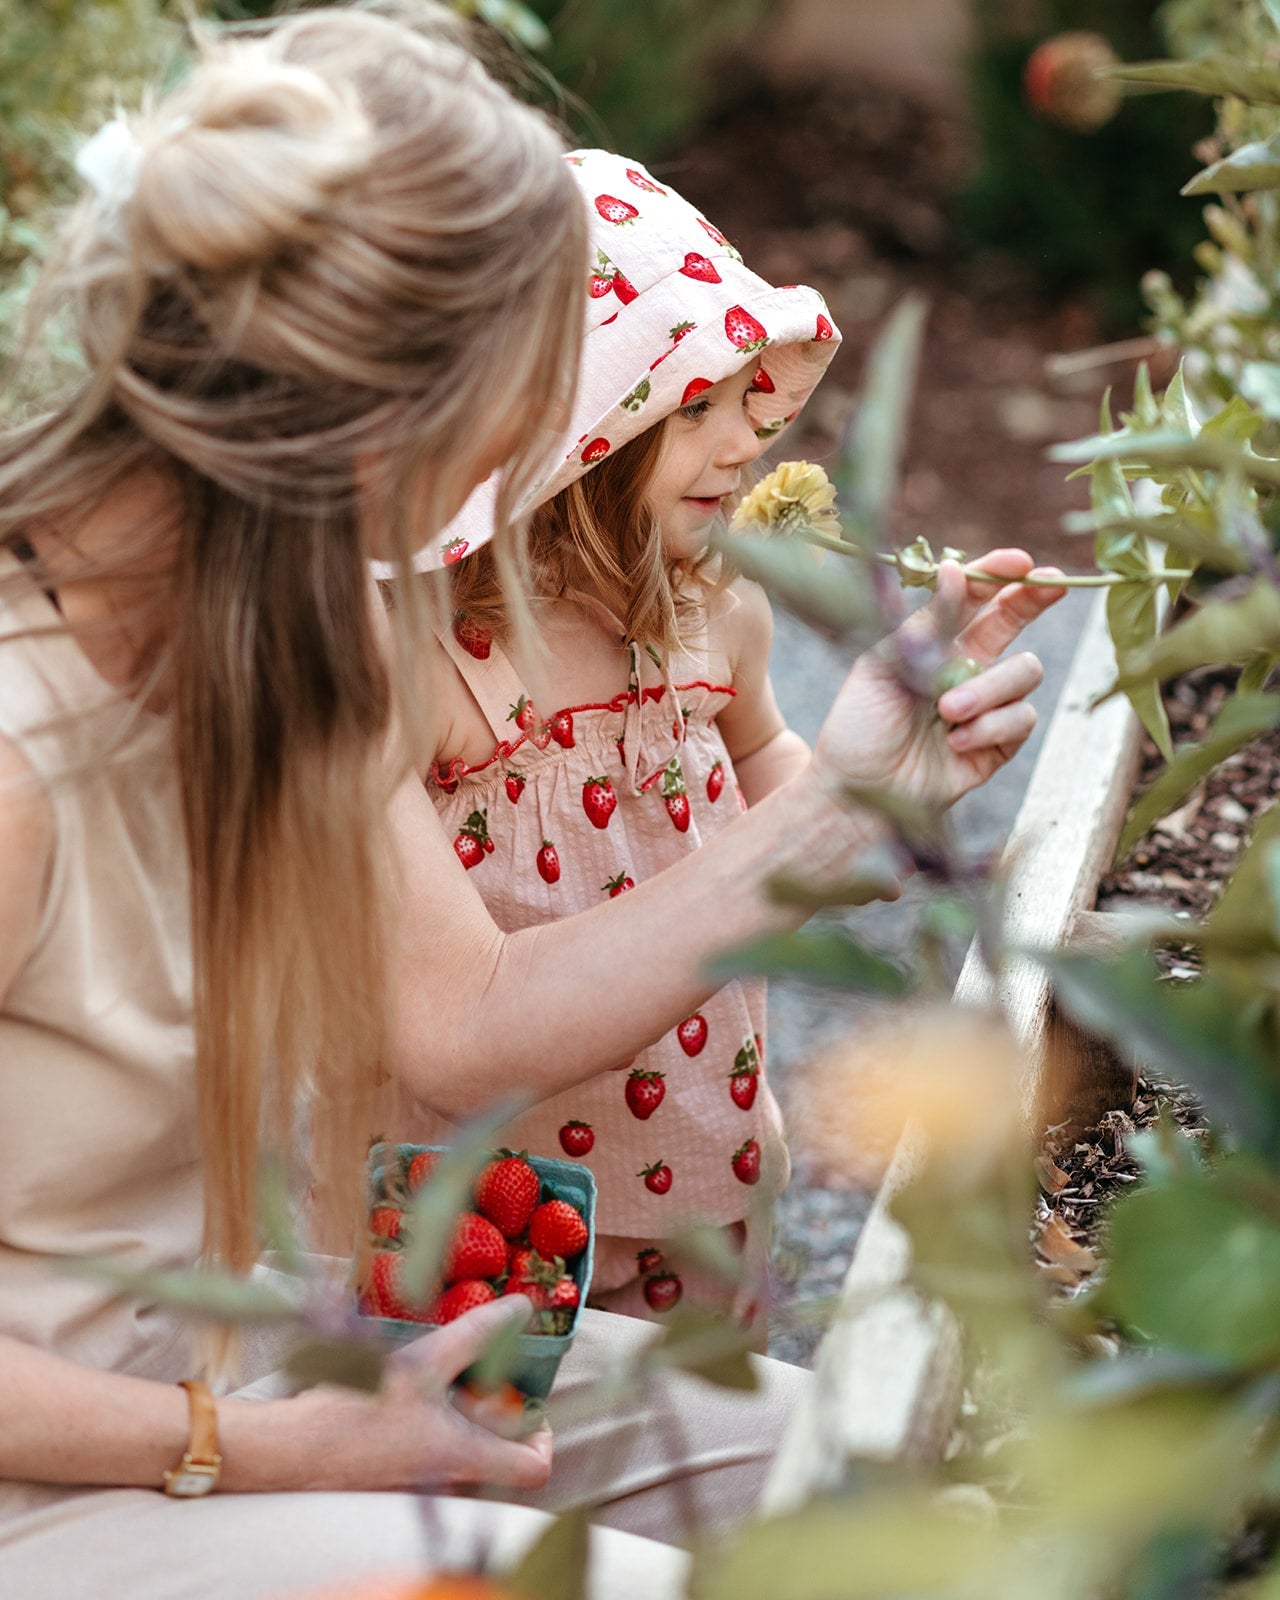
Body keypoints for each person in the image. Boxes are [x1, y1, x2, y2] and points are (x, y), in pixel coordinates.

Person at [0, 5, 1062, 1597]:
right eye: (512, 412)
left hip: (235, 1368)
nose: (525, 470)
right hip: (73, 1474)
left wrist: (847, 799)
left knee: (880, 1485)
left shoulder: (273, 644)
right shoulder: (23, 747)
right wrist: (279, 1446)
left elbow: (462, 1012)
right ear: (361, 412)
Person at [393, 148, 843, 1327]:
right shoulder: (445, 668)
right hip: (502, 1190)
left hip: (701, 1138)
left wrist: (842, 810)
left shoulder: (711, 614)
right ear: (565, 443)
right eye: (691, 407)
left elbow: (766, 757)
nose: (746, 438)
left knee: (693, 1403)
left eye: (746, 390)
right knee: (498, 1442)